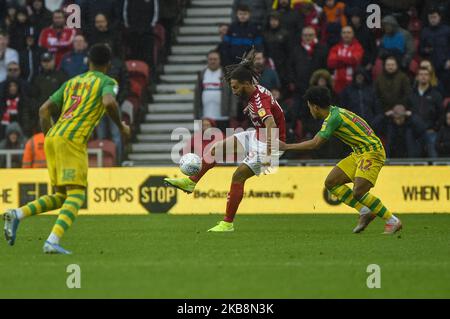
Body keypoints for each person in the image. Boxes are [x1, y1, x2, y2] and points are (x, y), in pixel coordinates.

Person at [3, 43, 131, 254]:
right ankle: (52, 241)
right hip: (72, 140)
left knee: (62, 195)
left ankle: (17, 214)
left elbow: (44, 110)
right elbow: (109, 102)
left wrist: (52, 138)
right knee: (78, 194)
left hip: (53, 137)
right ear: (108, 64)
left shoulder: (72, 81)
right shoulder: (107, 81)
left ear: (88, 61)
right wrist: (122, 126)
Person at [164, 50, 286, 232]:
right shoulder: (253, 89)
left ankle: (227, 223)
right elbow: (248, 80)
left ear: (246, 84)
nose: (234, 91)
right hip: (257, 134)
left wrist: (269, 152)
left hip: (271, 141)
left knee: (237, 176)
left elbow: (271, 123)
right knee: (215, 149)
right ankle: (191, 182)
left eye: (236, 87)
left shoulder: (259, 100)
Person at [281, 86, 402, 234]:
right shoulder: (335, 112)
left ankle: (392, 220)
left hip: (372, 152)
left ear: (316, 107)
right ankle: (365, 212)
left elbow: (315, 143)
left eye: (309, 107)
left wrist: (286, 146)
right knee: (331, 183)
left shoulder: (333, 118)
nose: (310, 110)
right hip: (359, 153)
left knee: (358, 191)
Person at [194, 50, 235, 132]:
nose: (213, 61)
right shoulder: (202, 74)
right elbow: (197, 94)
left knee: (223, 140)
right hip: (206, 116)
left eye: (215, 59)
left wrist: (233, 111)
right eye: (211, 59)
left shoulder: (226, 74)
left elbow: (233, 94)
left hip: (223, 116)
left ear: (219, 60)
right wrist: (196, 113)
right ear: (207, 60)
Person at [407, 67, 443, 158]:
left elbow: (441, 114)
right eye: (421, 74)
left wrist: (435, 128)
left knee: (433, 157)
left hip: (430, 132)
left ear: (430, 77)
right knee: (413, 159)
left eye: (426, 74)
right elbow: (407, 111)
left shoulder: (436, 95)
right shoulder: (411, 94)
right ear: (417, 77)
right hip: (414, 132)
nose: (423, 77)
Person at [419, 8, 450, 96]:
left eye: (434, 17)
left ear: (439, 17)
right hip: (430, 67)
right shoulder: (425, 32)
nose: (432, 20)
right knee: (432, 92)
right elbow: (420, 50)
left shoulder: (447, 30)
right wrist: (425, 50)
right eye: (430, 18)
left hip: (445, 66)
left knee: (446, 92)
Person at [327, 25, 364, 94]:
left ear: (353, 34)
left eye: (348, 32)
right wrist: (348, 61)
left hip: (352, 84)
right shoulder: (335, 48)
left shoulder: (358, 47)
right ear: (341, 34)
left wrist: (338, 58)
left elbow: (355, 60)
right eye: (344, 32)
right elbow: (330, 63)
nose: (346, 35)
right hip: (337, 85)